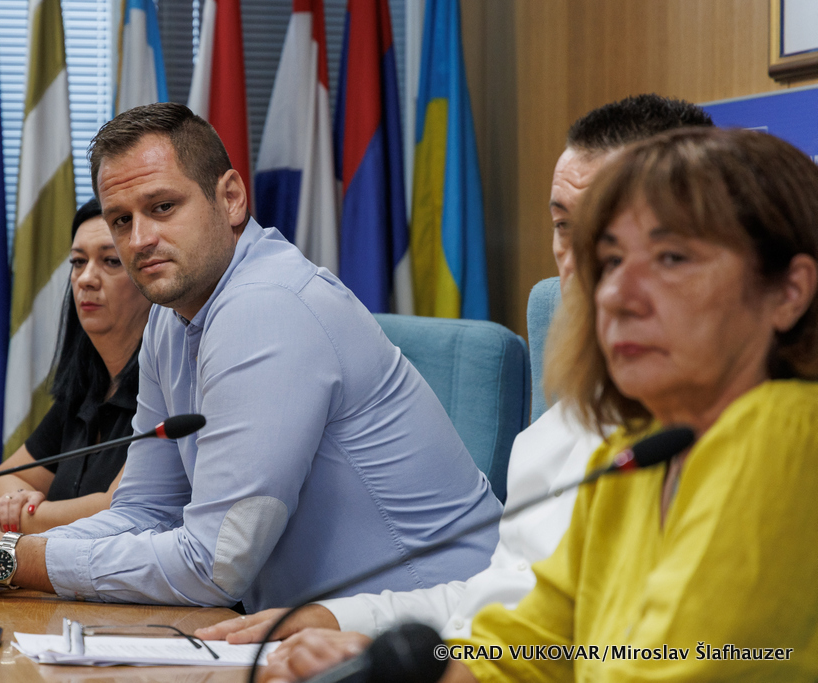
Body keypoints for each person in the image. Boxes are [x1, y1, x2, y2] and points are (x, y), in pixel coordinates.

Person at [0, 102, 503, 612]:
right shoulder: (171, 316)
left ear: (231, 198)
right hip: (297, 637)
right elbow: (147, 510)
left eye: (162, 207)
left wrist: (3, 559)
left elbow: (215, 565)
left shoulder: (265, 307)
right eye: (121, 220)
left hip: (440, 637)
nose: (139, 240)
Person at [199, 95, 714, 675]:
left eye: (611, 235)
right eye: (564, 227)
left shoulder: (710, 438)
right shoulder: (556, 430)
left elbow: (617, 652)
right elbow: (494, 599)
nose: (575, 262)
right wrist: (335, 618)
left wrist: (437, 668)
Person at [436, 127, 818, 680]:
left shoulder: (787, 432)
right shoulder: (632, 450)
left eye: (671, 257)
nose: (614, 295)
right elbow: (530, 646)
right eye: (611, 260)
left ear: (789, 291)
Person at [0, 198, 149, 534]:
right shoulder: (87, 390)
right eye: (78, 262)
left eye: (110, 261)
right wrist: (21, 501)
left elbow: (121, 512)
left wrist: (25, 515)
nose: (86, 279)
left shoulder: (163, 389)